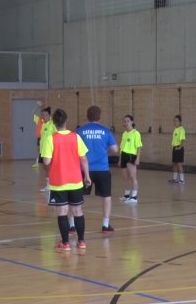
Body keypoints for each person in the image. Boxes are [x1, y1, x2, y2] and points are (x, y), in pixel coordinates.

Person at [41, 108, 91, 252]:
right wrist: (87, 176)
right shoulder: (75, 137)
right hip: (75, 180)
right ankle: (81, 241)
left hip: (59, 181)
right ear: (67, 121)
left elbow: (46, 161)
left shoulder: (51, 138)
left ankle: (65, 243)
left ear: (54, 123)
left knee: (62, 211)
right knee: (78, 211)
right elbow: (84, 159)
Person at [77, 105, 119, 236]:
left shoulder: (80, 131)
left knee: (77, 197)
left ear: (87, 116)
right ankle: (105, 225)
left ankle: (72, 225)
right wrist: (105, 153)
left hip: (84, 169)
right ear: (99, 117)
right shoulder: (105, 131)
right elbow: (115, 150)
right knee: (106, 197)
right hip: (102, 168)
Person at [119, 115, 142, 203]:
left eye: (128, 121)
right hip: (124, 155)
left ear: (132, 122)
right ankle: (126, 195)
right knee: (126, 178)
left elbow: (139, 147)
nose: (126, 123)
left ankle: (134, 197)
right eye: (125, 121)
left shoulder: (136, 133)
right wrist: (120, 159)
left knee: (133, 177)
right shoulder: (124, 133)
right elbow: (122, 147)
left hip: (131, 155)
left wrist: (138, 158)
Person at [38, 106, 55, 192]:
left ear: (49, 116)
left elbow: (57, 136)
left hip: (50, 151)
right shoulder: (43, 124)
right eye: (42, 115)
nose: (43, 117)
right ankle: (48, 185)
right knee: (46, 168)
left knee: (50, 168)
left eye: (45, 115)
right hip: (43, 150)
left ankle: (52, 185)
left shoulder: (52, 124)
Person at [169, 114, 186, 184]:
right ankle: (174, 179)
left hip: (179, 148)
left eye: (176, 121)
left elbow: (182, 139)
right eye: (174, 121)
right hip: (174, 148)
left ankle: (182, 180)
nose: (175, 122)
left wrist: (179, 147)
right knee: (174, 164)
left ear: (180, 122)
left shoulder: (181, 129)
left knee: (179, 164)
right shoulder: (176, 129)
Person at [32, 101, 47, 167]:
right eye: (41, 114)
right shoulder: (38, 119)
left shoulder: (47, 120)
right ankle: (37, 163)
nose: (42, 115)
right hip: (39, 137)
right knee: (38, 150)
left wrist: (42, 106)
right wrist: (37, 107)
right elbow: (32, 113)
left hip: (45, 138)